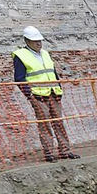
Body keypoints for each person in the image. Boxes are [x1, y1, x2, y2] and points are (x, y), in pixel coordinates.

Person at [12, 26, 76, 160]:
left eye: (40, 40)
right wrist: (29, 96)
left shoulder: (45, 54)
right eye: (35, 41)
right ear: (26, 41)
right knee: (45, 124)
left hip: (54, 93)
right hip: (38, 96)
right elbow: (19, 78)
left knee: (59, 122)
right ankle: (49, 154)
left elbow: (53, 72)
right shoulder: (20, 55)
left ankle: (65, 151)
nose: (38, 43)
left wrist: (59, 88)